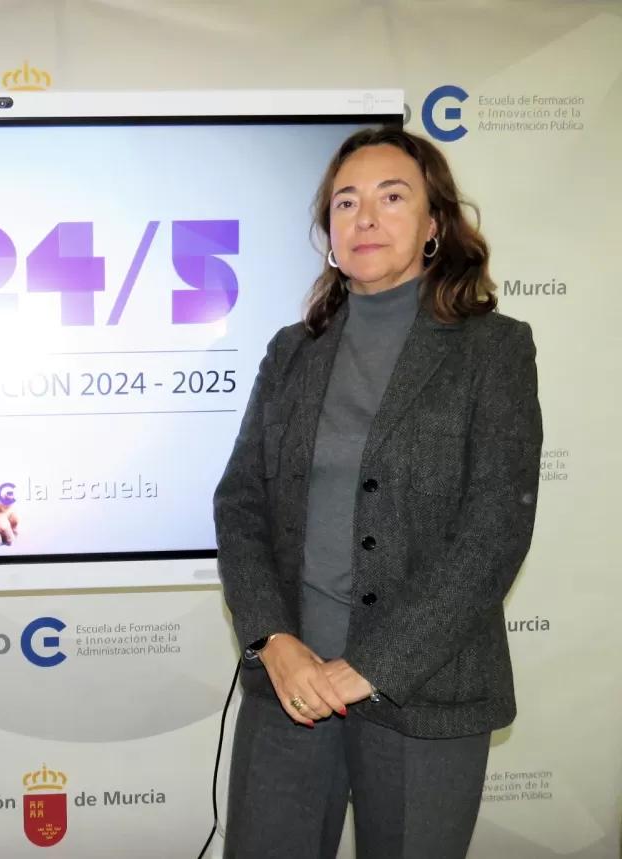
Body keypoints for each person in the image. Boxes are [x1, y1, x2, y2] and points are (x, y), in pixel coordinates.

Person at [212, 126, 542, 858]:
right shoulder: (291, 351)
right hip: (292, 687)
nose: (365, 218)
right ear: (329, 232)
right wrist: (271, 640)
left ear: (433, 224)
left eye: (392, 198)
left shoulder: (494, 350)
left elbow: (495, 529)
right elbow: (239, 505)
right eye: (346, 202)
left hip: (426, 691)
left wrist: (374, 665)